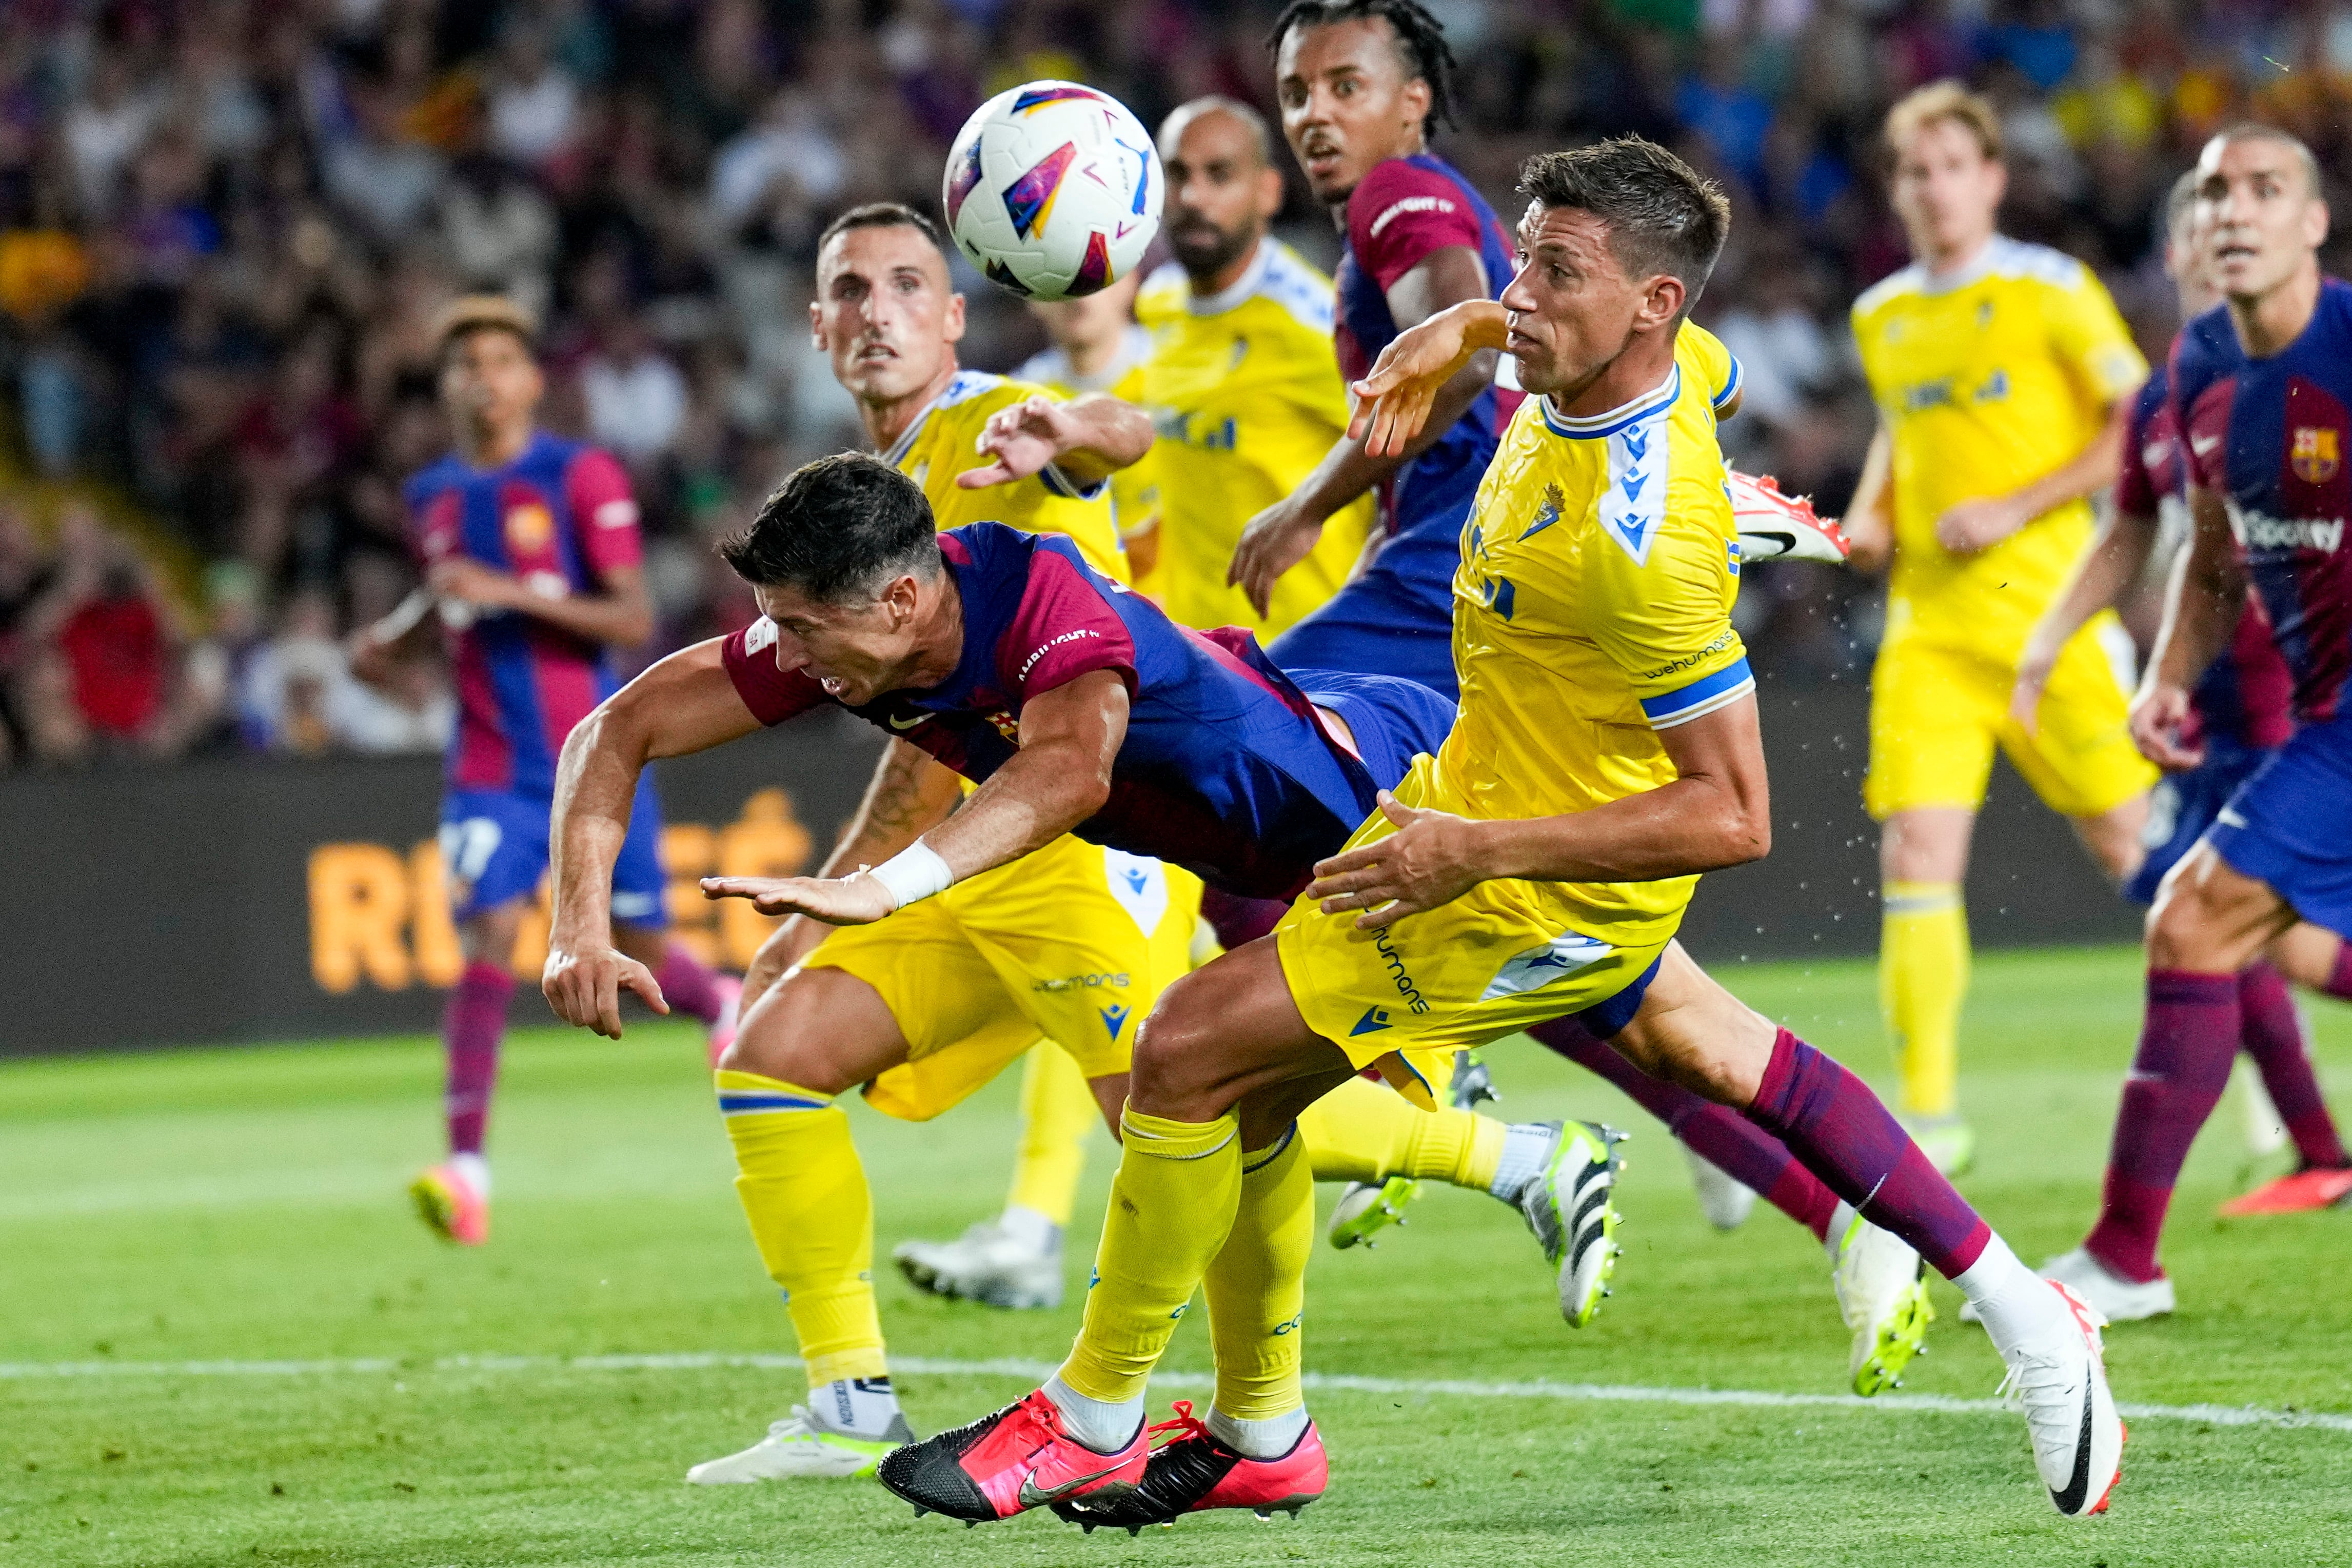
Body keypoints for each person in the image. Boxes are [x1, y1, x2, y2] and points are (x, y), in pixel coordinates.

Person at [877, 137, 2124, 1532]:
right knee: (1700, 1058)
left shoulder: (1632, 539)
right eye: (1521, 254)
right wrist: (1470, 327)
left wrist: (1469, 851)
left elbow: (1735, 814)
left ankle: (1098, 1416)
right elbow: (1634, 375)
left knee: (1182, 1056)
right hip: (1475, 820)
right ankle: (2027, 1312)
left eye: (1553, 270)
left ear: (1651, 304)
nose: (1517, 292)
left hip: (1515, 887)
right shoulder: (1619, 368)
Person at [538, 455, 1608, 1481]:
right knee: (783, 1057)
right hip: (1115, 860)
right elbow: (615, 726)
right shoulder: (850, 631)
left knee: (1192, 1089)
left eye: (804, 627)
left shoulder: (1032, 587)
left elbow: (1069, 768)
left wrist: (883, 885)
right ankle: (881, 1404)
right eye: (779, 621)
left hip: (1379, 812)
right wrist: (578, 925)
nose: (784, 649)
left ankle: (1512, 1164)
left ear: (903, 599)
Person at [2010, 171, 2352, 1268]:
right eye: (2205, 215)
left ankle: (2146, 1243)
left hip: (2282, 710)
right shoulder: (2178, 386)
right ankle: (2309, 1153)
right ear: (2178, 255)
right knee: (2230, 926)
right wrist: (2076, 645)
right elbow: (2153, 538)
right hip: (2226, 705)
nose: (2226, 231)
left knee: (2221, 920)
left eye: (2255, 204)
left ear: (2304, 230)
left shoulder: (2323, 352)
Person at [350, 295, 738, 1248]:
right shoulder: (430, 496)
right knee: (488, 930)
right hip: (488, 762)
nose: (480, 376)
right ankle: (466, 1168)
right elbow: (450, 607)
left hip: (595, 753)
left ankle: (722, 999)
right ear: (445, 386)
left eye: (498, 359)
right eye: (462, 363)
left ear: (531, 380)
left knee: (643, 936)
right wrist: (394, 639)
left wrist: (505, 591)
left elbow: (631, 619)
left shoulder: (578, 474)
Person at [1842, 81, 2157, 1176]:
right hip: (1928, 628)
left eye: (1948, 168)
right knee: (1916, 852)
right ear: (1898, 189)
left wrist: (2016, 507)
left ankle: (2259, 1058)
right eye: (1911, 172)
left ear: (1989, 178)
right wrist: (1868, 521)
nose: (1931, 190)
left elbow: (2135, 423)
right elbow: (1897, 433)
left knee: (2138, 852)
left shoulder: (2051, 289)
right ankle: (1928, 1115)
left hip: (2053, 620)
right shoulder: (1881, 314)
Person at [1228, 0, 1517, 698]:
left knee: (1239, 716)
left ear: (1412, 101)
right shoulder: (1441, 200)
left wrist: (1305, 506)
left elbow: (1463, 353)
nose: (1313, 115)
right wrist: (1383, 538)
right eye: (1295, 94)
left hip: (1466, 544)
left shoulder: (1395, 188)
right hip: (1476, 538)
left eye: (1345, 87)